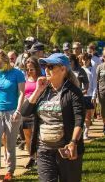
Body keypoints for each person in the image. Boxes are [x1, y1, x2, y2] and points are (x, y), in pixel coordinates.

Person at [21, 53, 85, 182]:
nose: (46, 69)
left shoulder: (73, 92)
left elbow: (79, 120)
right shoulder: (44, 90)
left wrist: (73, 142)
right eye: (45, 66)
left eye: (50, 66)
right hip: (44, 149)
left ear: (63, 69)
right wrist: (38, 89)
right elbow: (25, 111)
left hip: (65, 149)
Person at [0, 50, 25, 182]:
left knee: (10, 143)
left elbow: (22, 93)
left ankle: (10, 171)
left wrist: (18, 111)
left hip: (12, 112)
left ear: (5, 61)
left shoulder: (17, 74)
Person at [22, 57, 42, 169]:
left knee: (37, 136)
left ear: (36, 68)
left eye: (31, 69)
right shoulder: (25, 79)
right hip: (26, 110)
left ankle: (39, 158)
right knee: (28, 136)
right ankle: (32, 157)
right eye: (27, 69)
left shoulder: (40, 79)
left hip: (37, 110)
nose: (29, 71)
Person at [78, 53, 96, 139]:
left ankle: (86, 132)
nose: (85, 61)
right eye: (83, 60)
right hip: (81, 95)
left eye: (86, 60)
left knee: (89, 115)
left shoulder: (93, 70)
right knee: (82, 115)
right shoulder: (80, 70)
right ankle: (82, 132)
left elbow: (94, 84)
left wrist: (93, 95)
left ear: (89, 60)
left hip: (89, 95)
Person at [95, 48, 105, 134]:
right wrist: (97, 95)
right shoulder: (100, 67)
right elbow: (96, 81)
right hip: (102, 93)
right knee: (103, 111)